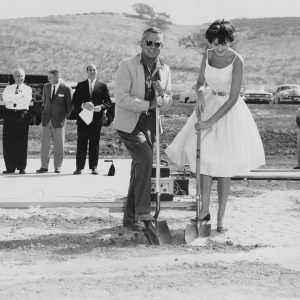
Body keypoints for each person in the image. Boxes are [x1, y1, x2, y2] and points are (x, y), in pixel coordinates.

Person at [165, 19, 265, 233]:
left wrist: (211, 121)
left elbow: (234, 97)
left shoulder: (237, 60)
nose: (219, 48)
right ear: (210, 42)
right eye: (215, 44)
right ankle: (203, 211)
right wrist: (200, 94)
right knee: (205, 160)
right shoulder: (207, 56)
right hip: (208, 104)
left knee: (224, 166)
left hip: (229, 112)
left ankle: (221, 217)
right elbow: (200, 82)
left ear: (230, 41)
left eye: (224, 44)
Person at [113, 27, 172, 231]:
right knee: (145, 157)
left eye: (158, 44)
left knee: (139, 167)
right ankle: (143, 212)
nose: (153, 47)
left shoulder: (165, 69)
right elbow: (121, 97)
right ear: (141, 43)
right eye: (149, 42)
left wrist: (163, 98)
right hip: (129, 123)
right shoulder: (126, 66)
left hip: (151, 124)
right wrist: (149, 105)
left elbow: (168, 98)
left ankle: (129, 220)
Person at [72, 64, 112, 175]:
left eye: (94, 70)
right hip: (83, 119)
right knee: (81, 143)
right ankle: (79, 167)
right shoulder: (80, 85)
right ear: (87, 72)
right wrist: (82, 105)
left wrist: (101, 107)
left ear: (97, 71)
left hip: (96, 120)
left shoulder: (102, 85)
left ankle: (94, 167)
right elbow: (74, 101)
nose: (92, 72)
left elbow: (108, 102)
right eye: (90, 70)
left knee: (94, 144)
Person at [36, 70, 73, 173]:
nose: (48, 79)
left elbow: (70, 106)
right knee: (45, 144)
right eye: (48, 77)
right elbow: (45, 102)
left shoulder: (66, 88)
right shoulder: (46, 86)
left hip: (59, 121)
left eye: (50, 77)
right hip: (46, 120)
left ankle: (58, 166)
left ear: (57, 77)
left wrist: (64, 117)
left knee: (59, 145)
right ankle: (44, 166)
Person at [2, 68, 32, 174]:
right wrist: (18, 97)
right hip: (10, 114)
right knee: (9, 141)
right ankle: (10, 167)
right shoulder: (8, 88)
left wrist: (13, 98)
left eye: (22, 76)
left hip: (22, 115)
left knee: (21, 141)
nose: (20, 78)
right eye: (17, 76)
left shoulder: (28, 89)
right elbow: (5, 98)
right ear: (14, 77)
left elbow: (25, 100)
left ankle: (21, 167)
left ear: (24, 77)